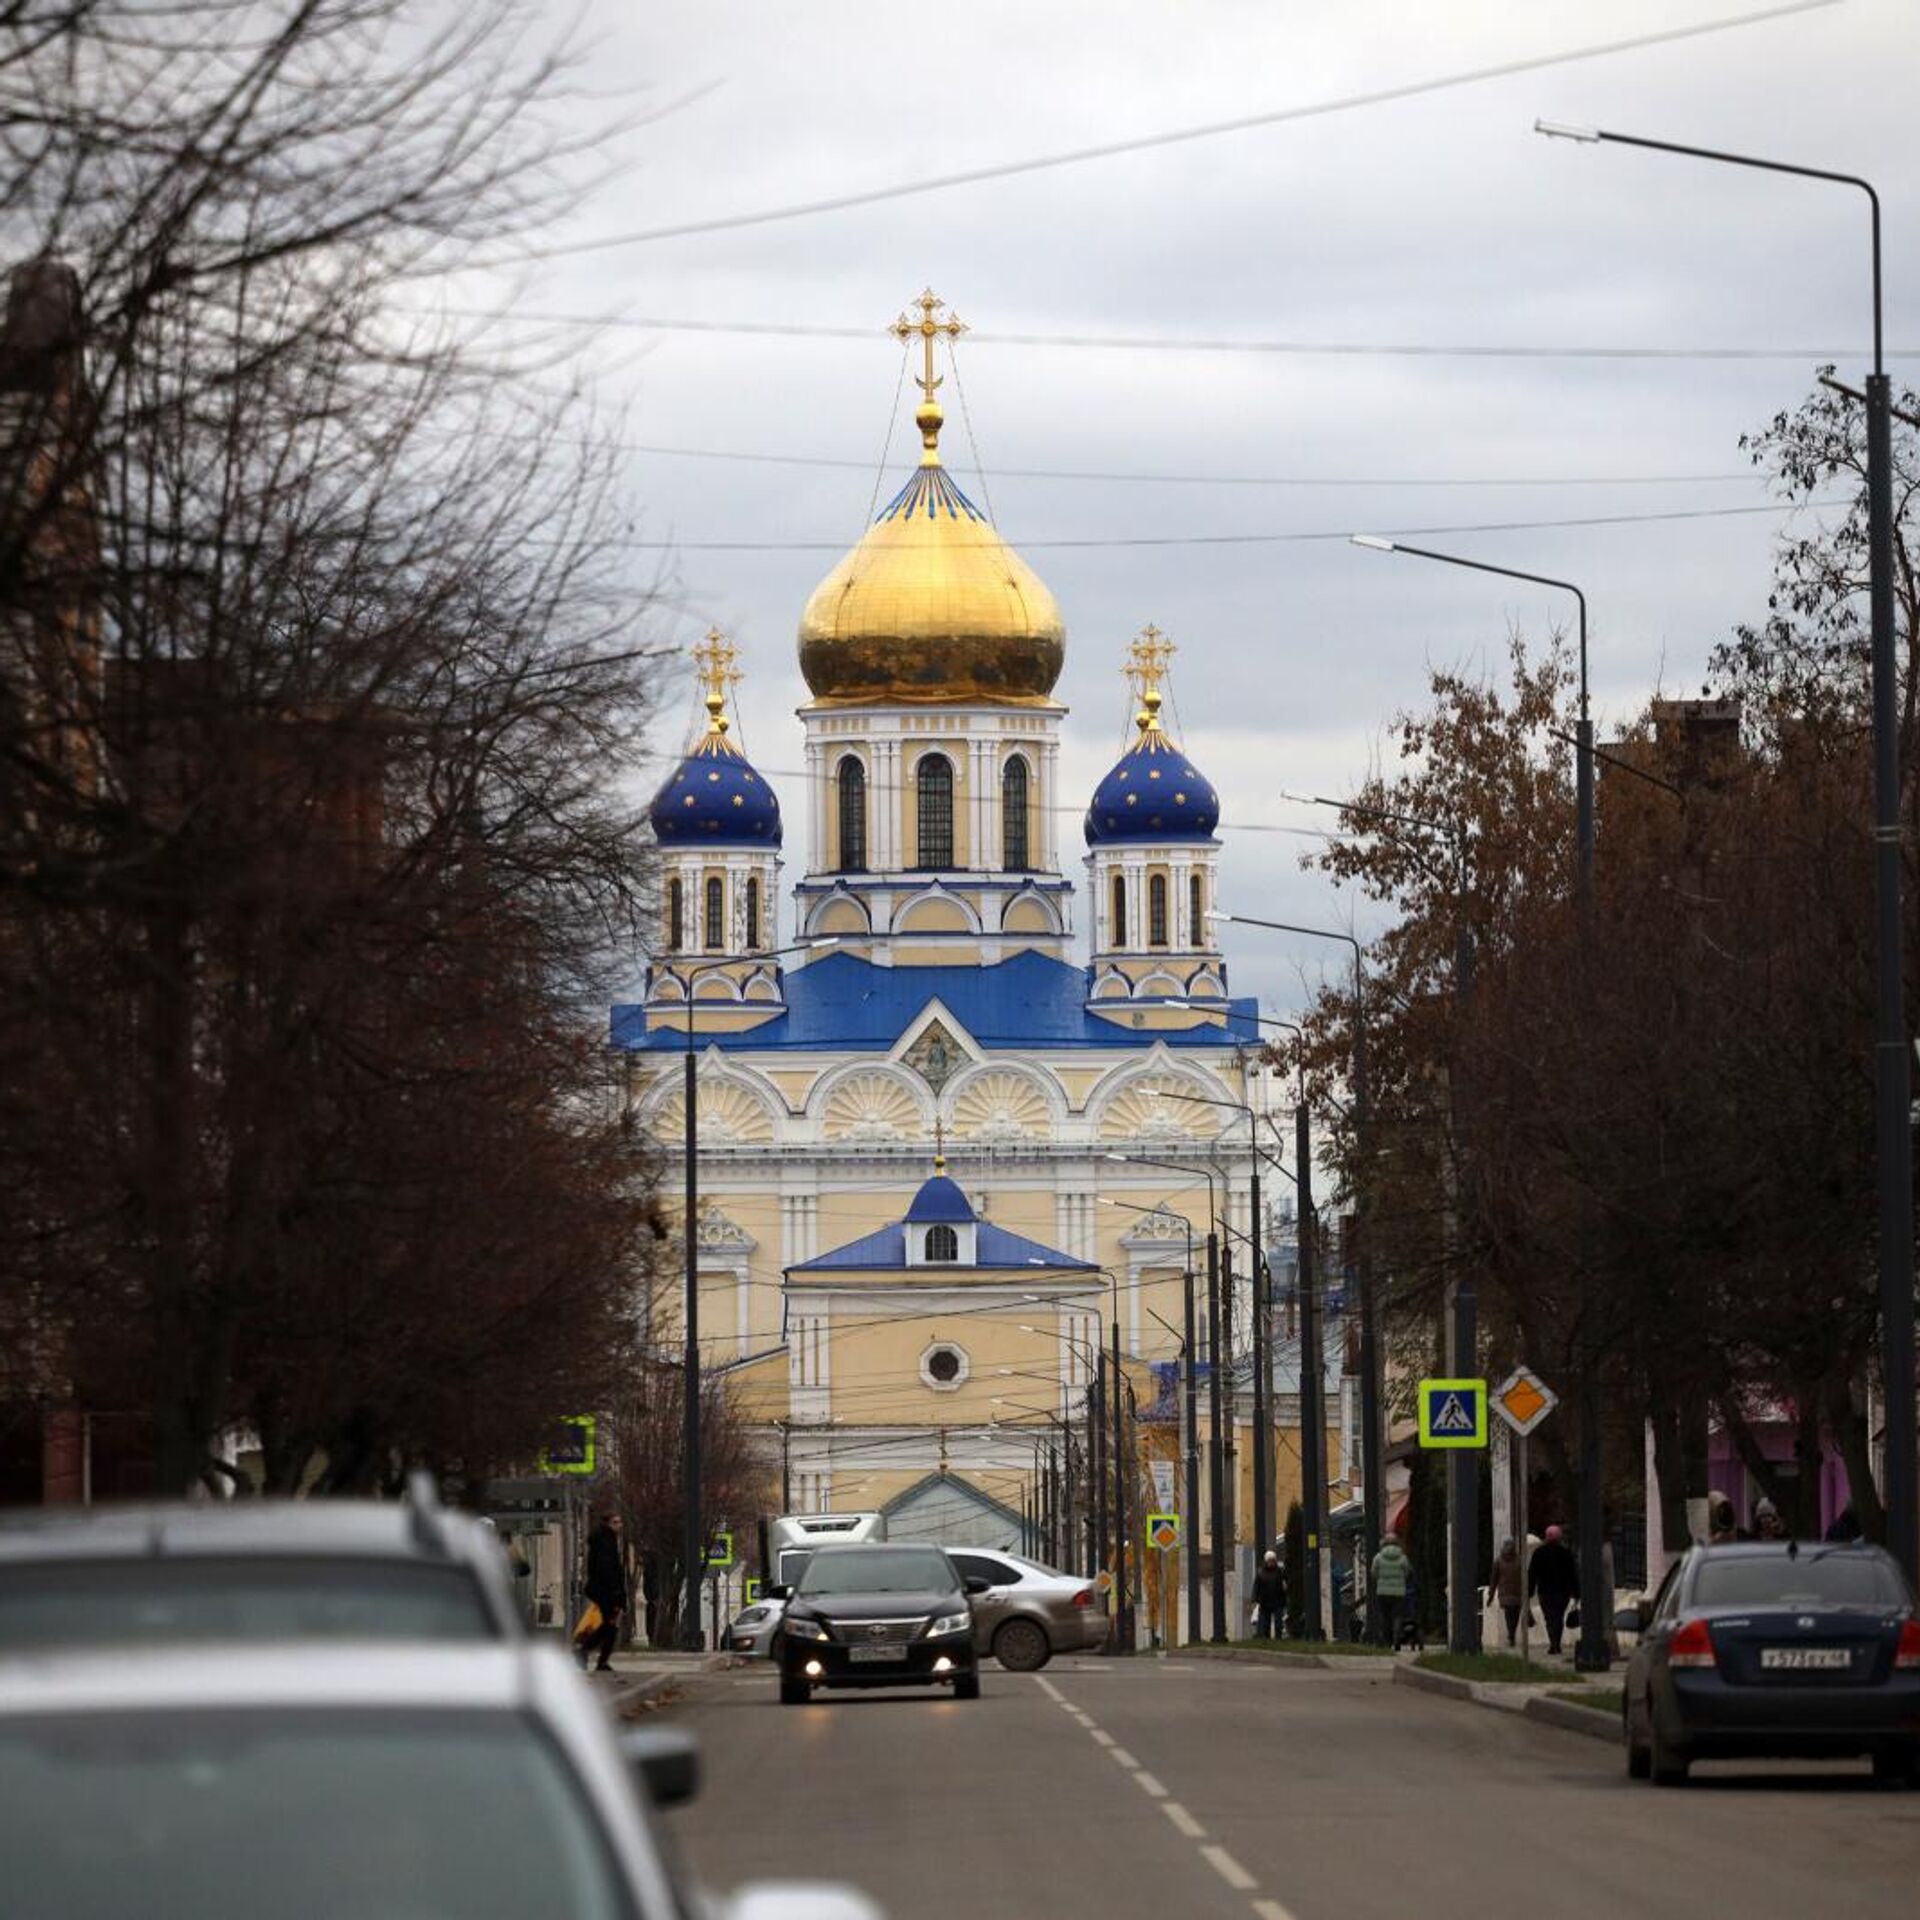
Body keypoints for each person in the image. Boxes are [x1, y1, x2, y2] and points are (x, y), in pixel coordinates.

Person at [578, 1509, 627, 1673]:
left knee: (609, 1626)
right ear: (607, 1524)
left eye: (620, 1522)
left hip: (604, 1590)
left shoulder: (605, 1540)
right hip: (607, 1592)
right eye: (615, 1522)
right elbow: (607, 1569)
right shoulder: (606, 1541)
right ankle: (586, 1652)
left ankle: (597, 1658)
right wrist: (616, 1592)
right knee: (610, 1626)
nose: (619, 1526)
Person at [1527, 1524, 1580, 1656]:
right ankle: (1556, 1643)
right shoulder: (1565, 1553)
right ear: (1559, 1537)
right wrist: (1577, 1592)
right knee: (1559, 1617)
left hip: (1545, 1592)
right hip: (1563, 1592)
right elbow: (1572, 1574)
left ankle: (1553, 1643)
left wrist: (1529, 1591)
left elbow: (1532, 1573)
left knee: (1549, 1618)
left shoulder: (1539, 1553)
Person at [1370, 1535, 1412, 1648]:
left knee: (1385, 1616)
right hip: (1399, 1592)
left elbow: (1374, 1572)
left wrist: (1381, 1579)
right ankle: (1397, 1635)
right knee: (1397, 1615)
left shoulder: (1378, 1557)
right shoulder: (1403, 1557)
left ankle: (1387, 1641)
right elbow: (1407, 1571)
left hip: (1382, 1592)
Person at [1490, 1537, 1525, 1647]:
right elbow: (1524, 1577)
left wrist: (1491, 1595)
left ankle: (1511, 1635)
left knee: (1509, 1615)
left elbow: (1494, 1579)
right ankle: (1511, 1634)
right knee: (1515, 1615)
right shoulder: (1519, 1560)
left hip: (1505, 1594)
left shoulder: (1498, 1561)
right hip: (1517, 1593)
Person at [1251, 1550, 1287, 1641]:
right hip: (1265, 1601)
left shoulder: (1280, 1572)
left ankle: (1278, 1638)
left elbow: (1284, 1584)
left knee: (1278, 1621)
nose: (1271, 1562)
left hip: (1278, 1600)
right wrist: (1254, 1599)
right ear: (1266, 1561)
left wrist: (1285, 1590)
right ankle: (1266, 1638)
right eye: (1270, 1560)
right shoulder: (1261, 1573)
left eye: (1273, 1560)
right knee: (1265, 1622)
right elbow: (1256, 1587)